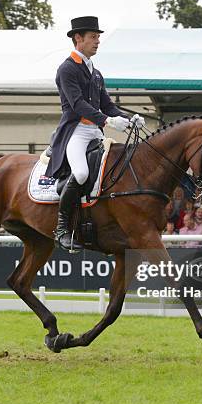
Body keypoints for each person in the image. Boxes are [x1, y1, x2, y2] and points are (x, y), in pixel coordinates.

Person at [45, 16, 144, 251]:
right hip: (75, 131)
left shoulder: (96, 73)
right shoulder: (67, 69)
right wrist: (109, 121)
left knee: (114, 170)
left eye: (98, 37)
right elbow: (78, 104)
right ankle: (61, 229)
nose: (97, 41)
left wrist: (130, 119)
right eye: (93, 37)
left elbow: (107, 104)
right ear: (78, 39)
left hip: (95, 132)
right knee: (80, 173)